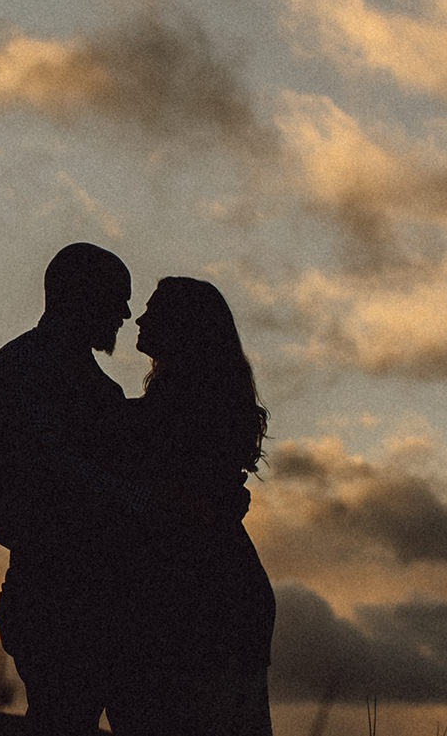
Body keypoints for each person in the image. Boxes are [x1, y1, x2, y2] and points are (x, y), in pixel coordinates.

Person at [0, 242, 147, 734]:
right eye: (116, 298)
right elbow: (41, 476)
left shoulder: (101, 390)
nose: (124, 313)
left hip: (95, 602)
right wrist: (136, 501)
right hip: (55, 601)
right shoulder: (21, 369)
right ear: (80, 296)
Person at [104, 278, 274, 736]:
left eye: (152, 311)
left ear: (183, 327)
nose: (138, 319)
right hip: (217, 589)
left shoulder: (171, 414)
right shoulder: (187, 406)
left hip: (201, 597)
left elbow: (180, 504)